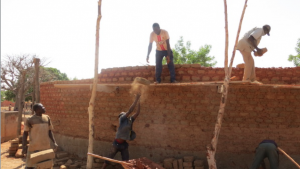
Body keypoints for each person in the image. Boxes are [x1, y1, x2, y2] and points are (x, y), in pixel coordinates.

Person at [101, 94, 141, 169]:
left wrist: (138, 101)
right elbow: (130, 110)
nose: (125, 114)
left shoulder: (130, 120)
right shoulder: (122, 119)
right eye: (123, 114)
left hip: (124, 145)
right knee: (109, 159)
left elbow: (137, 112)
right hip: (116, 144)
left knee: (126, 162)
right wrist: (136, 99)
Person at [22, 103, 58, 169]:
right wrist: (24, 146)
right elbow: (25, 133)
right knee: (30, 166)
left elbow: (49, 131)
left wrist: (54, 142)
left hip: (45, 147)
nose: (44, 108)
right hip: (34, 147)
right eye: (42, 107)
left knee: (46, 165)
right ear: (37, 109)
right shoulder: (30, 119)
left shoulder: (47, 118)